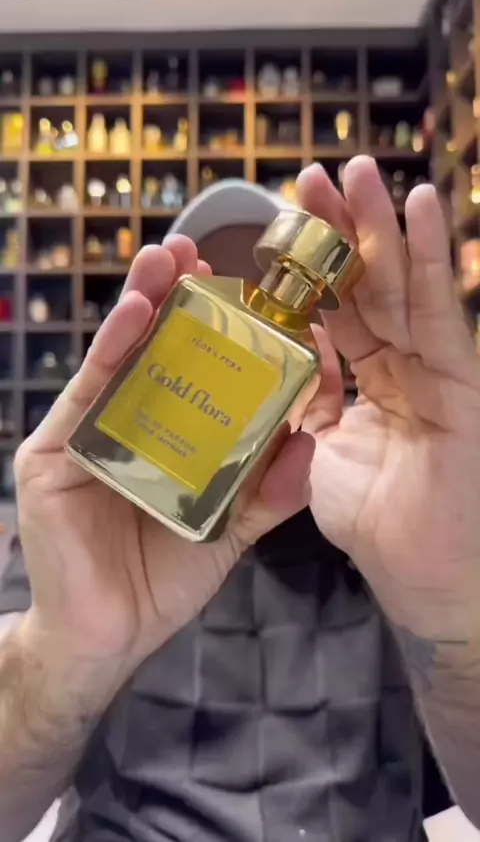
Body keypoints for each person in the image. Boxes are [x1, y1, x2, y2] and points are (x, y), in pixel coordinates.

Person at [0, 155, 479, 842]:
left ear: (327, 359)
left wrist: (455, 609)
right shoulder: (87, 513)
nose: (242, 347)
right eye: (216, 318)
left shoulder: (385, 522)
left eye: (274, 336)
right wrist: (64, 651)